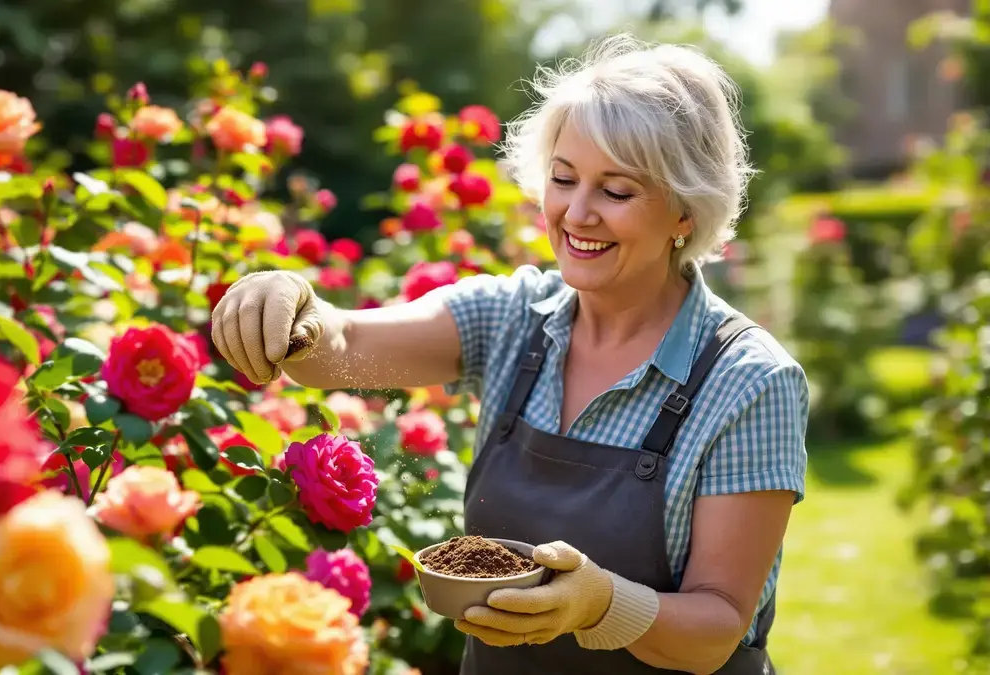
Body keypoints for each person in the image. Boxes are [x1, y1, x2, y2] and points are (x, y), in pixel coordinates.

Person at [210, 34, 809, 675]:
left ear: (685, 212)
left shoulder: (748, 379)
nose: (577, 214)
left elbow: (716, 628)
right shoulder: (514, 318)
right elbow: (346, 349)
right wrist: (294, 309)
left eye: (617, 191)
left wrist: (602, 605)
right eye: (563, 178)